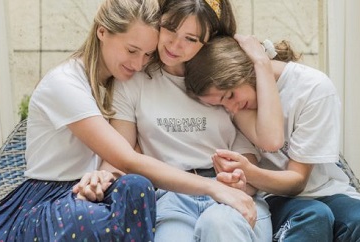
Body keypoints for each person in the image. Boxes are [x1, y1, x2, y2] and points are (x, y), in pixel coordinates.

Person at [0, 0, 261, 241]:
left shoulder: (119, 82)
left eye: (147, 54)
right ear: (102, 31)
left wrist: (101, 176)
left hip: (94, 185)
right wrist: (213, 188)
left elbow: (117, 160)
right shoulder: (65, 84)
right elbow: (124, 156)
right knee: (101, 207)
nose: (138, 64)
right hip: (48, 195)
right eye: (132, 50)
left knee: (136, 187)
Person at [105, 0, 284, 241]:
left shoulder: (218, 82)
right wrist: (99, 176)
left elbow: (254, 152)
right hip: (172, 199)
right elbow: (121, 156)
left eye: (191, 39)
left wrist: (239, 184)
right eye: (170, 28)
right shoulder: (132, 81)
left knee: (218, 224)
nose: (175, 45)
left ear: (209, 39)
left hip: (230, 197)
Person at [184, 36, 360, 241]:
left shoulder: (312, 88)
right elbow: (264, 150)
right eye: (220, 105)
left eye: (229, 96)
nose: (230, 108)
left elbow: (297, 182)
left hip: (323, 190)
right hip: (271, 196)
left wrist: (249, 171)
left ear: (247, 72)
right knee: (313, 215)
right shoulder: (235, 110)